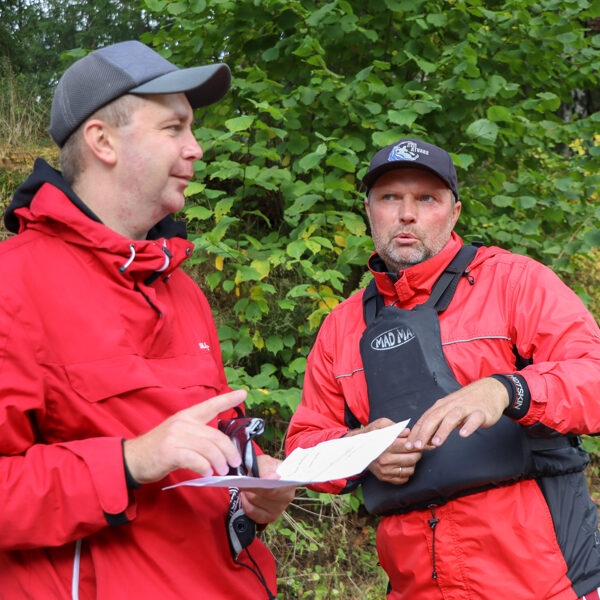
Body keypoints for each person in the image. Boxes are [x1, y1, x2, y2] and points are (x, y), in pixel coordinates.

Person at [0, 40, 295, 600]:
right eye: (173, 128)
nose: (196, 148)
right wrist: (130, 461)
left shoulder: (183, 289)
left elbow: (206, 458)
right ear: (103, 141)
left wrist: (256, 492)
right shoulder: (13, 285)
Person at [286, 138, 600, 600]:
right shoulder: (341, 327)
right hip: (416, 585)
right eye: (389, 197)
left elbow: (592, 377)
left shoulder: (515, 282)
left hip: (544, 581)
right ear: (368, 211)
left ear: (454, 213)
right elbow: (302, 445)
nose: (406, 214)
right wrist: (360, 450)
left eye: (426, 199)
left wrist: (506, 390)